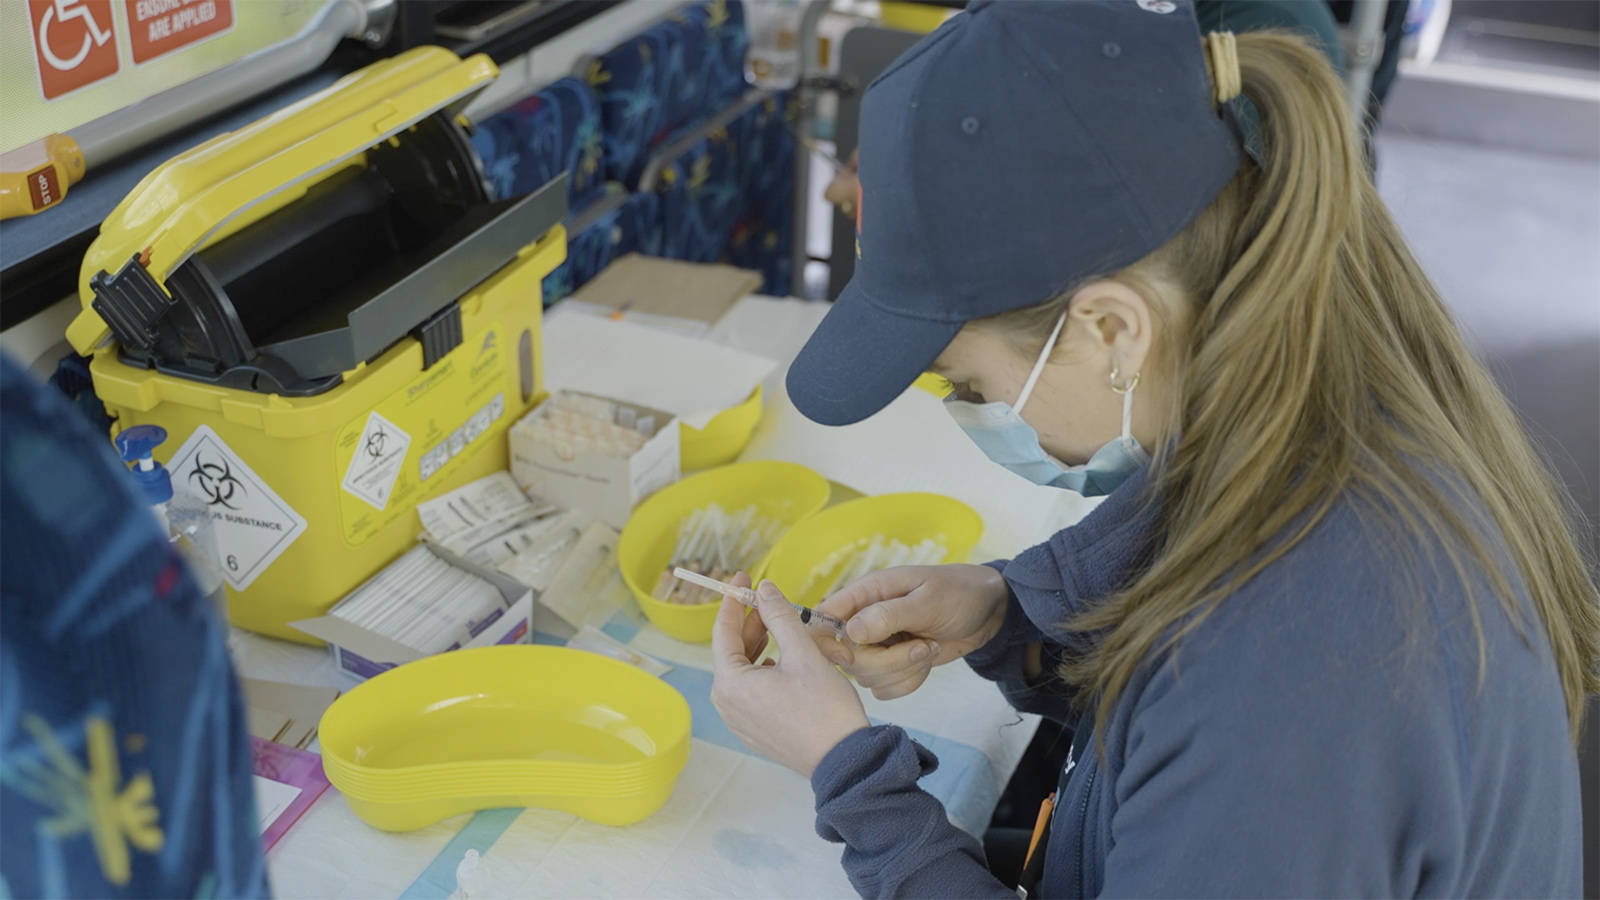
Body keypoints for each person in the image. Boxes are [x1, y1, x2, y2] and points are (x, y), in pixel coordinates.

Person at [709, 2, 1596, 897]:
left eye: (969, 386)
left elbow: (1230, 732)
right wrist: (1014, 624)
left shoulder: (1292, 687)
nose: (974, 414)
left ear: (1110, 329)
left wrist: (851, 775)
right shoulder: (1315, 417)